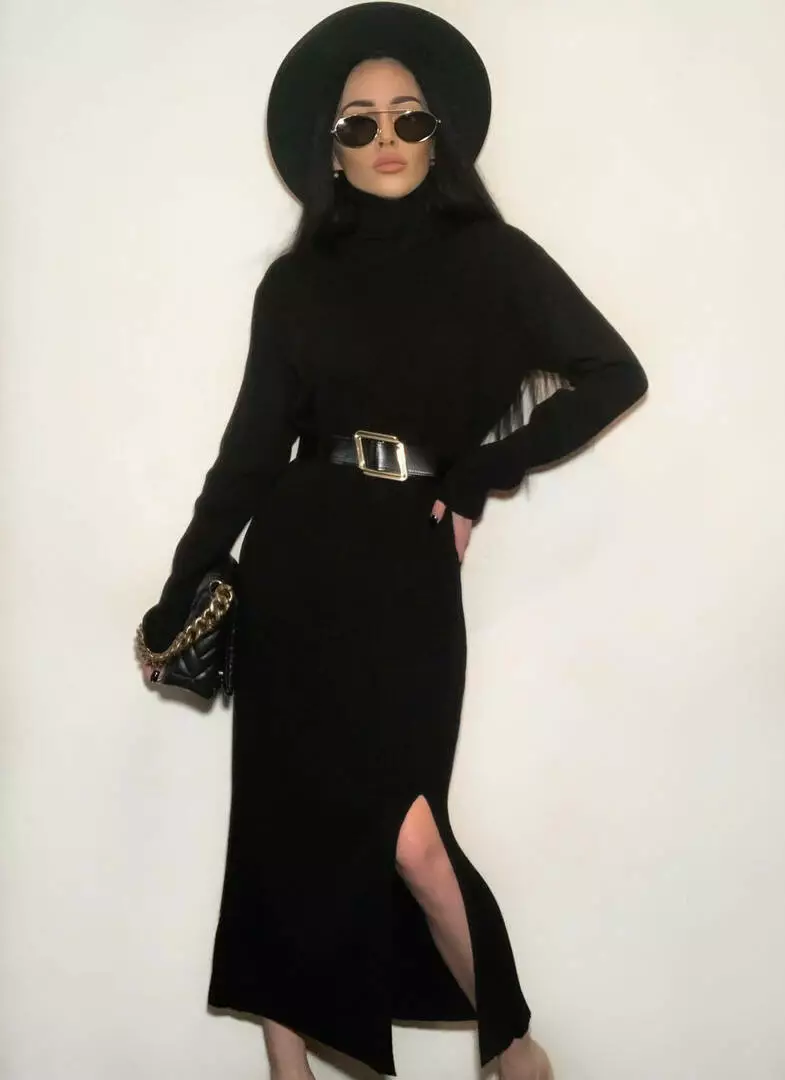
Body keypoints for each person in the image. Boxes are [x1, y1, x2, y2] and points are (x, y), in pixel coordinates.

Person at [138, 4, 649, 1079]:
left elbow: (615, 375)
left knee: (414, 836)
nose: (384, 139)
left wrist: (477, 473)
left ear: (438, 135)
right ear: (330, 149)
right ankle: (290, 1069)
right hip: (295, 558)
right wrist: (180, 588)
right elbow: (246, 455)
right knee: (278, 823)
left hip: (406, 566)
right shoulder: (295, 284)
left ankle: (515, 1049)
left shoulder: (496, 260)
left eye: (408, 119)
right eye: (358, 123)